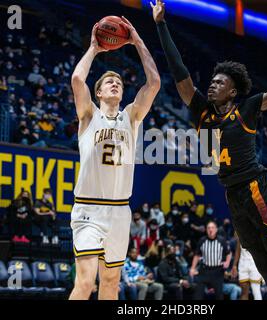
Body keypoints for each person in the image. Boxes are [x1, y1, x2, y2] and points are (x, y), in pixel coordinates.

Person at [151, 0, 267, 299]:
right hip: (233, 194)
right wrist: (161, 24)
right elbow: (180, 72)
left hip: (256, 187)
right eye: (211, 81)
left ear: (232, 91)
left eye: (219, 82)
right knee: (263, 264)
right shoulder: (201, 112)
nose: (212, 85)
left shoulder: (247, 109)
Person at [69, 18, 160, 300]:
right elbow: (76, 79)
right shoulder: (89, 115)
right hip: (88, 210)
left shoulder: (131, 117)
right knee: (85, 284)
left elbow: (154, 82)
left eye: (119, 82)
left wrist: (137, 41)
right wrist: (95, 48)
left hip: (120, 211)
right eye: (109, 81)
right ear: (98, 92)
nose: (115, 84)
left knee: (110, 284)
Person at [190, 221, 232, 300]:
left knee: (219, 296)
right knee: (197, 295)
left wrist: (227, 261)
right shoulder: (202, 240)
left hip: (217, 271)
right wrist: (192, 267)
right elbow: (197, 255)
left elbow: (229, 253)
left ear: (216, 230)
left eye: (212, 228)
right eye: (208, 228)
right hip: (204, 270)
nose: (210, 230)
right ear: (206, 230)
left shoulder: (222, 241)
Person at [231, 233, 263, 300]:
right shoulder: (241, 231)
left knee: (256, 291)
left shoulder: (257, 231)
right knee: (244, 292)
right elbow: (237, 251)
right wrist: (234, 266)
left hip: (255, 265)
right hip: (243, 264)